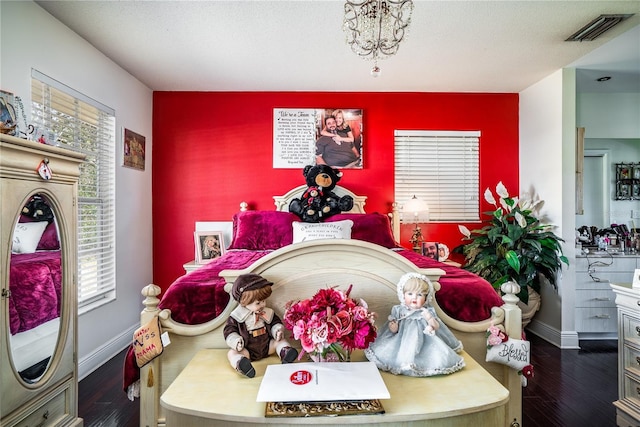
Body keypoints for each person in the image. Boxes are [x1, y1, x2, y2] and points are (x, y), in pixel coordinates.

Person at [364, 272, 465, 377]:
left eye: (420, 294)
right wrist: (393, 328)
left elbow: (436, 326)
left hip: (424, 341)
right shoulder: (399, 310)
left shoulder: (426, 311)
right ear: (403, 295)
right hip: (402, 340)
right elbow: (393, 327)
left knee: (434, 354)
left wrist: (430, 318)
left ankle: (421, 363)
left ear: (426, 298)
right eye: (410, 294)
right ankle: (404, 362)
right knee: (392, 352)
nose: (414, 298)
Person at [223, 274, 298, 378]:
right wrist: (236, 341)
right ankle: (240, 363)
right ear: (244, 301)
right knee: (232, 353)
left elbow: (275, 321)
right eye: (258, 303)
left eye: (263, 301)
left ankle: (285, 352)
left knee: (279, 342)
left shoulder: (267, 312)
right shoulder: (236, 316)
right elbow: (229, 330)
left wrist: (277, 330)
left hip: (267, 347)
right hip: (247, 350)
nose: (263, 305)